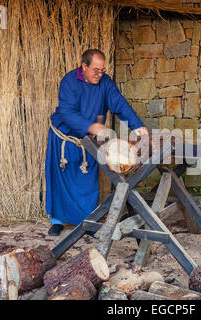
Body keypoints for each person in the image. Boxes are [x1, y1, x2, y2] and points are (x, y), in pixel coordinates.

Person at [45, 49, 148, 236]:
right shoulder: (69, 82)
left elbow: (120, 104)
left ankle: (88, 221)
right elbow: (67, 112)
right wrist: (90, 126)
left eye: (102, 70)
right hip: (64, 138)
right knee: (60, 178)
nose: (99, 74)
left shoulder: (105, 82)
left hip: (89, 142)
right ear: (84, 66)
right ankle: (58, 222)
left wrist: (137, 125)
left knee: (87, 181)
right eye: (95, 70)